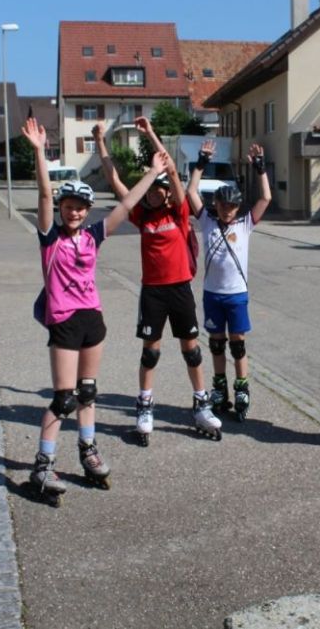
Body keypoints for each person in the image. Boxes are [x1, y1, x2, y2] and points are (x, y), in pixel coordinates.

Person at [22, 117, 168, 502]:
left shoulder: (92, 236)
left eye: (80, 208)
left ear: (87, 211)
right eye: (69, 207)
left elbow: (128, 203)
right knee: (63, 398)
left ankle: (88, 451)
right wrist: (39, 152)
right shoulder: (50, 239)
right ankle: (43, 465)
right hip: (64, 321)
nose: (74, 213)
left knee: (87, 392)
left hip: (92, 319)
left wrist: (153, 172)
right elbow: (43, 194)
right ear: (62, 208)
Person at [92, 118, 221, 445]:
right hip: (152, 292)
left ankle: (201, 404)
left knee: (192, 350)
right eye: (149, 190)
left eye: (157, 190)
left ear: (165, 193)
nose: (152, 194)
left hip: (180, 289)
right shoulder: (141, 216)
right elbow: (114, 179)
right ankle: (145, 405)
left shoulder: (178, 212)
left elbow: (172, 171)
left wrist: (150, 133)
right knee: (150, 353)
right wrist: (100, 142)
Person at [184, 140, 271, 421]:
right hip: (212, 294)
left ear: (237, 207)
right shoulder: (207, 221)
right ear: (216, 205)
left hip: (236, 294)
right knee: (216, 343)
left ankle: (242, 387)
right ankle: (220, 386)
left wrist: (260, 168)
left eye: (232, 206)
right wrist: (201, 162)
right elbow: (190, 191)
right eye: (222, 205)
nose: (227, 210)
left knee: (238, 344)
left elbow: (266, 198)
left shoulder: (245, 225)